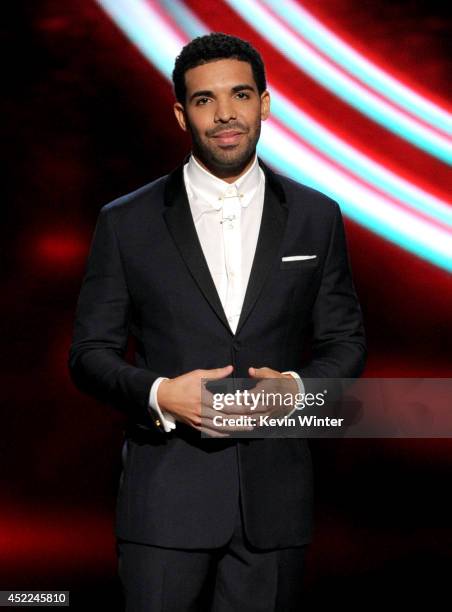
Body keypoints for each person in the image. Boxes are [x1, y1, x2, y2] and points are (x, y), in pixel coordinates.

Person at [69, 32, 366, 611]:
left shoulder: (316, 216)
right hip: (164, 500)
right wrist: (160, 393)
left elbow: (345, 342)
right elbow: (88, 354)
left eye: (241, 94)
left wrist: (299, 392)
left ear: (265, 103)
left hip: (274, 500)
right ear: (182, 114)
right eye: (205, 100)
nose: (226, 113)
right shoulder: (127, 222)